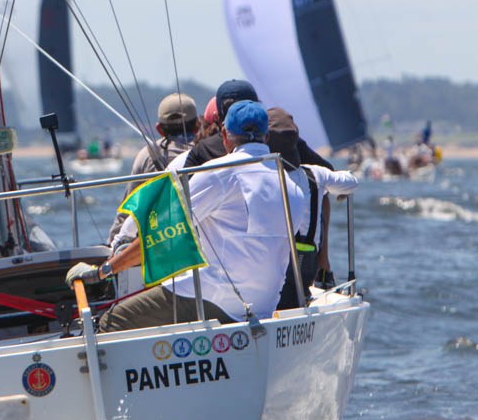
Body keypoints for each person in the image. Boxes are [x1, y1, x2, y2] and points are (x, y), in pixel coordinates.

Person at [66, 101, 306, 331]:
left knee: (112, 321)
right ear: (266, 136)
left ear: (224, 135)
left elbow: (161, 236)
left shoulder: (218, 173)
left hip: (217, 300)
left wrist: (103, 271)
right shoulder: (292, 186)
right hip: (264, 307)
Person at [264, 108, 359, 309]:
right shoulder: (316, 175)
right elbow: (351, 183)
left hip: (268, 269)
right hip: (306, 266)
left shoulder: (259, 178)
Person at [106, 92, 199, 249]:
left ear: (159, 129)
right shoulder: (207, 151)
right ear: (197, 125)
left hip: (159, 246)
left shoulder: (146, 156)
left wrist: (112, 246)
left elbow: (129, 209)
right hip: (200, 244)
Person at [176, 79, 333, 171]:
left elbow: (182, 194)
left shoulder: (203, 149)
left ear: (218, 114)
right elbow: (327, 170)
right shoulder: (283, 137)